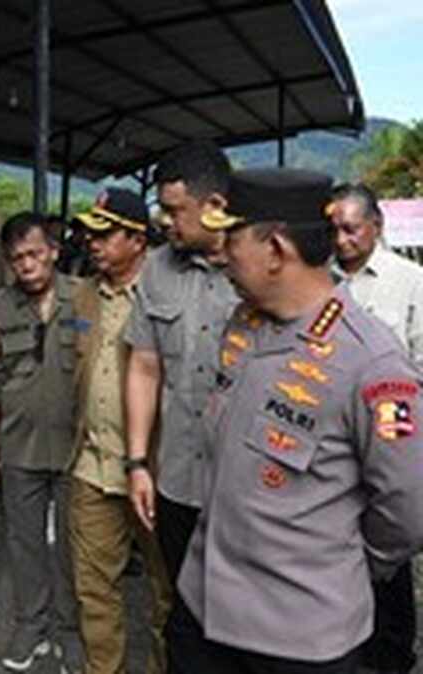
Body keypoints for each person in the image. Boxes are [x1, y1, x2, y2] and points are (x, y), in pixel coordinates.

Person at [171, 168, 423, 674]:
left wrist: (344, 565)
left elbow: (407, 507)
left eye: (232, 237)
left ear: (276, 249)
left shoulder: (370, 362)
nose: (220, 252)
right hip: (203, 612)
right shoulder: (243, 323)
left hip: (298, 639)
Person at [122, 141, 237, 672]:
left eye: (173, 211)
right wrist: (138, 461)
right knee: (185, 615)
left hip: (245, 491)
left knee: (243, 624)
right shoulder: (157, 270)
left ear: (214, 204)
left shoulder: (262, 264)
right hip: (178, 483)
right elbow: (144, 367)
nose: (162, 222)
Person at [67, 190, 172, 674]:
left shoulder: (169, 292)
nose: (92, 242)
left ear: (136, 238)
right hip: (93, 466)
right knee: (94, 591)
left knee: (166, 592)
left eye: (104, 233)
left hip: (157, 472)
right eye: (89, 232)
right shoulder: (85, 292)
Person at [0, 214, 84, 673]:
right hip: (19, 446)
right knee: (24, 543)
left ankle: (69, 631)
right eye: (17, 257)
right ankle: (30, 626)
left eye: (35, 253)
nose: (27, 265)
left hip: (78, 446)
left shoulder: (85, 299)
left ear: (54, 252)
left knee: (74, 546)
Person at [328, 182, 423, 674]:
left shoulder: (409, 281)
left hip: (389, 441)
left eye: (351, 229)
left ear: (377, 227)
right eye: (334, 229)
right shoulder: (321, 281)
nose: (341, 240)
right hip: (332, 447)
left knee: (389, 551)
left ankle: (392, 653)